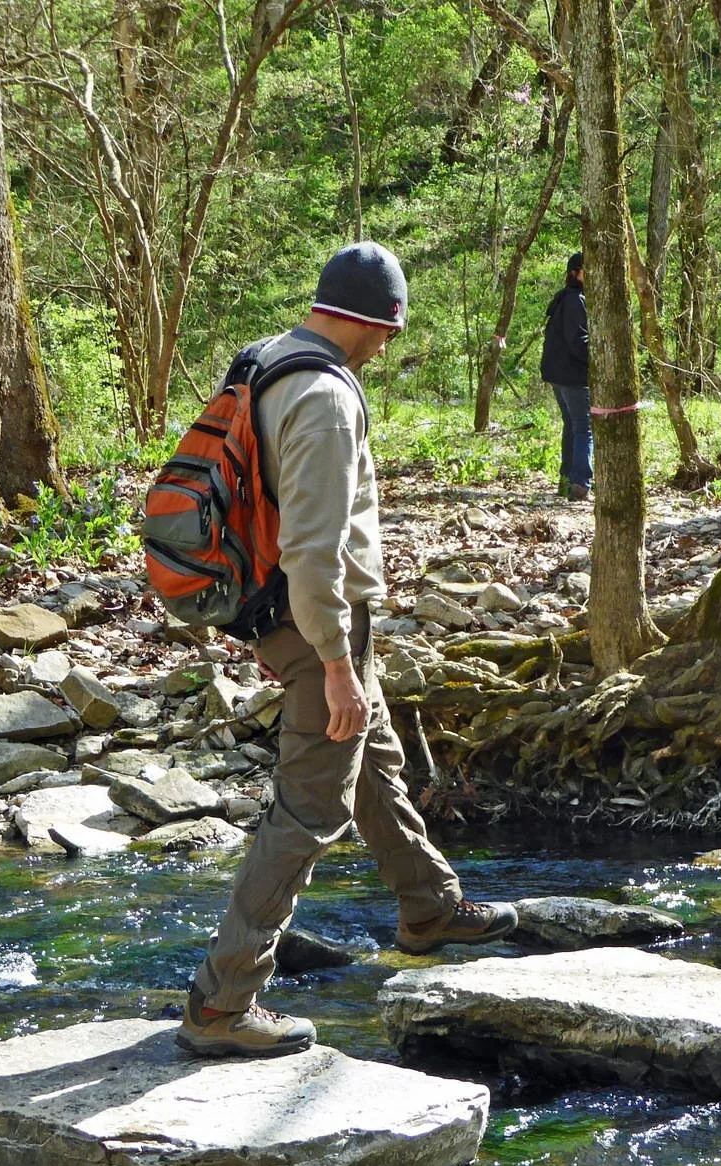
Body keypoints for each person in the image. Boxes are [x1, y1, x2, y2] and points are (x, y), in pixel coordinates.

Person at [185, 243, 518, 1056]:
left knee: (374, 762)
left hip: (284, 612)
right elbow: (312, 547)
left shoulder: (268, 358)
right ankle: (224, 1003)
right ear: (377, 319)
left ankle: (429, 905)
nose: (390, 345)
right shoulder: (327, 398)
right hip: (314, 622)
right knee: (310, 807)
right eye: (391, 331)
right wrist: (335, 664)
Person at [540, 252, 592, 501]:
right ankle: (581, 483)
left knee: (572, 426)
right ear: (574, 273)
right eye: (585, 270)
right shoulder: (574, 301)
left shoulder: (565, 298)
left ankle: (566, 481)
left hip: (558, 375)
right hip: (572, 376)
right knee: (583, 428)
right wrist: (598, 358)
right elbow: (578, 341)